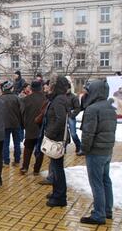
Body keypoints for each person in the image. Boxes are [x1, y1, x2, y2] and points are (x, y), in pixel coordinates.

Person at [80, 80, 117, 225]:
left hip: (95, 152)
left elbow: (88, 134)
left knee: (96, 183)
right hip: (107, 150)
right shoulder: (110, 107)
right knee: (105, 180)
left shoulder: (92, 109)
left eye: (88, 92)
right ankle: (107, 210)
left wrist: (85, 149)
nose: (86, 94)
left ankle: (99, 214)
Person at [45, 76, 70, 207]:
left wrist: (49, 134)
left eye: (50, 84)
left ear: (56, 86)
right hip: (56, 138)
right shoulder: (59, 98)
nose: (48, 86)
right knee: (55, 167)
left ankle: (60, 196)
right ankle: (57, 192)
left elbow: (60, 120)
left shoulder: (59, 99)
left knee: (57, 168)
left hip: (57, 139)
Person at [21, 81, 46, 175]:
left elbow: (22, 113)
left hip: (30, 127)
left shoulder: (26, 99)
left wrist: (24, 124)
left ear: (31, 88)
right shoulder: (45, 99)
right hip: (42, 127)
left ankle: (25, 167)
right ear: (40, 88)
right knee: (40, 149)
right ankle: (36, 169)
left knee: (28, 147)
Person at [0, 81, 22, 167]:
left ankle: (6, 161)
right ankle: (17, 160)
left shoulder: (0, 98)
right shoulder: (16, 98)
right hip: (16, 123)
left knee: (5, 143)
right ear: (11, 88)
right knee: (17, 143)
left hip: (4, 124)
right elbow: (21, 111)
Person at [66, 84, 82, 155]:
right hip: (63, 117)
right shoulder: (62, 96)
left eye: (67, 89)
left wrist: (72, 115)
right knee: (63, 134)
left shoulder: (74, 97)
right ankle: (63, 148)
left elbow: (78, 108)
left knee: (73, 133)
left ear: (69, 89)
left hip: (71, 117)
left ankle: (78, 145)